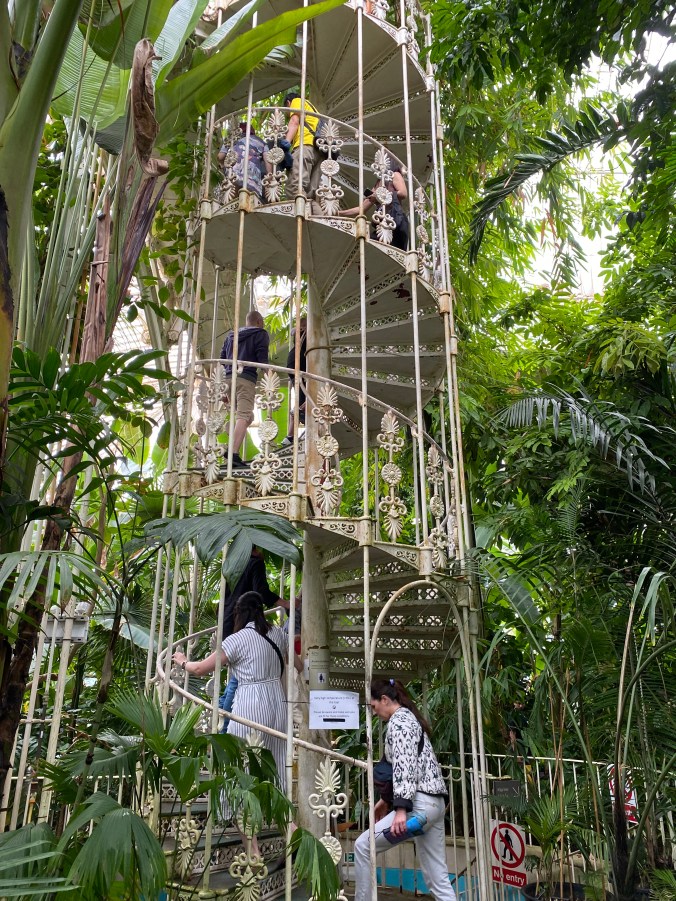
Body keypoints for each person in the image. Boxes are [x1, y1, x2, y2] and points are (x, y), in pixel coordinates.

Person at [173, 591, 294, 856]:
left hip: (250, 704)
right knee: (275, 772)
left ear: (238, 613)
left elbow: (200, 669)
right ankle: (293, 835)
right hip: (277, 704)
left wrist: (182, 662)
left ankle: (253, 852)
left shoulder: (237, 639)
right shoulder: (277, 634)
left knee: (236, 775)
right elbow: (295, 662)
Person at [354, 678, 456, 901]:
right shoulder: (410, 720)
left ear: (384, 699)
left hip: (418, 808)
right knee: (438, 880)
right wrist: (385, 801)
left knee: (363, 847)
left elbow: (405, 766)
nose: (374, 712)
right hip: (434, 806)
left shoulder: (399, 722)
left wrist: (400, 809)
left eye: (374, 706)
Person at [219, 547, 286, 725]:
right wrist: (287, 604)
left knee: (238, 674)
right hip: (245, 625)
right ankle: (226, 724)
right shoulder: (255, 563)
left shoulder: (232, 565)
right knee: (240, 678)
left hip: (229, 621)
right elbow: (261, 593)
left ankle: (224, 712)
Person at [220, 309, 269, 467]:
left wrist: (221, 387)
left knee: (248, 417)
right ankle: (233, 453)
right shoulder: (260, 333)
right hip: (245, 379)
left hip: (228, 379)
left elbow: (222, 359)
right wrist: (269, 376)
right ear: (259, 322)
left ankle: (232, 445)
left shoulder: (231, 335)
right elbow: (262, 358)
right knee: (243, 415)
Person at [337, 156, 409, 250]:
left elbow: (403, 193)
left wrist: (382, 195)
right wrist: (339, 213)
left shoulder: (395, 175)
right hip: (382, 223)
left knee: (395, 250)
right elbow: (361, 209)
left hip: (396, 219)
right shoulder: (377, 186)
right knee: (369, 245)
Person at [283, 92, 323, 204]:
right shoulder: (314, 111)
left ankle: (300, 213)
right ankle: (311, 213)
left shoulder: (297, 101)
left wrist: (286, 143)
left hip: (305, 146)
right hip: (319, 151)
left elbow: (294, 121)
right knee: (312, 195)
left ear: (288, 103)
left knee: (295, 187)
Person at [217, 122, 269, 202]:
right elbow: (267, 160)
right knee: (249, 202)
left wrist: (223, 165)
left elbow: (220, 157)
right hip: (251, 177)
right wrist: (269, 176)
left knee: (231, 201)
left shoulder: (232, 139)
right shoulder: (261, 142)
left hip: (232, 175)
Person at [281, 316, 307, 447]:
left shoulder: (299, 333)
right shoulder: (304, 334)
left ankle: (290, 436)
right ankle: (299, 415)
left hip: (294, 363)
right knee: (305, 396)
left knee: (301, 396)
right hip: (299, 364)